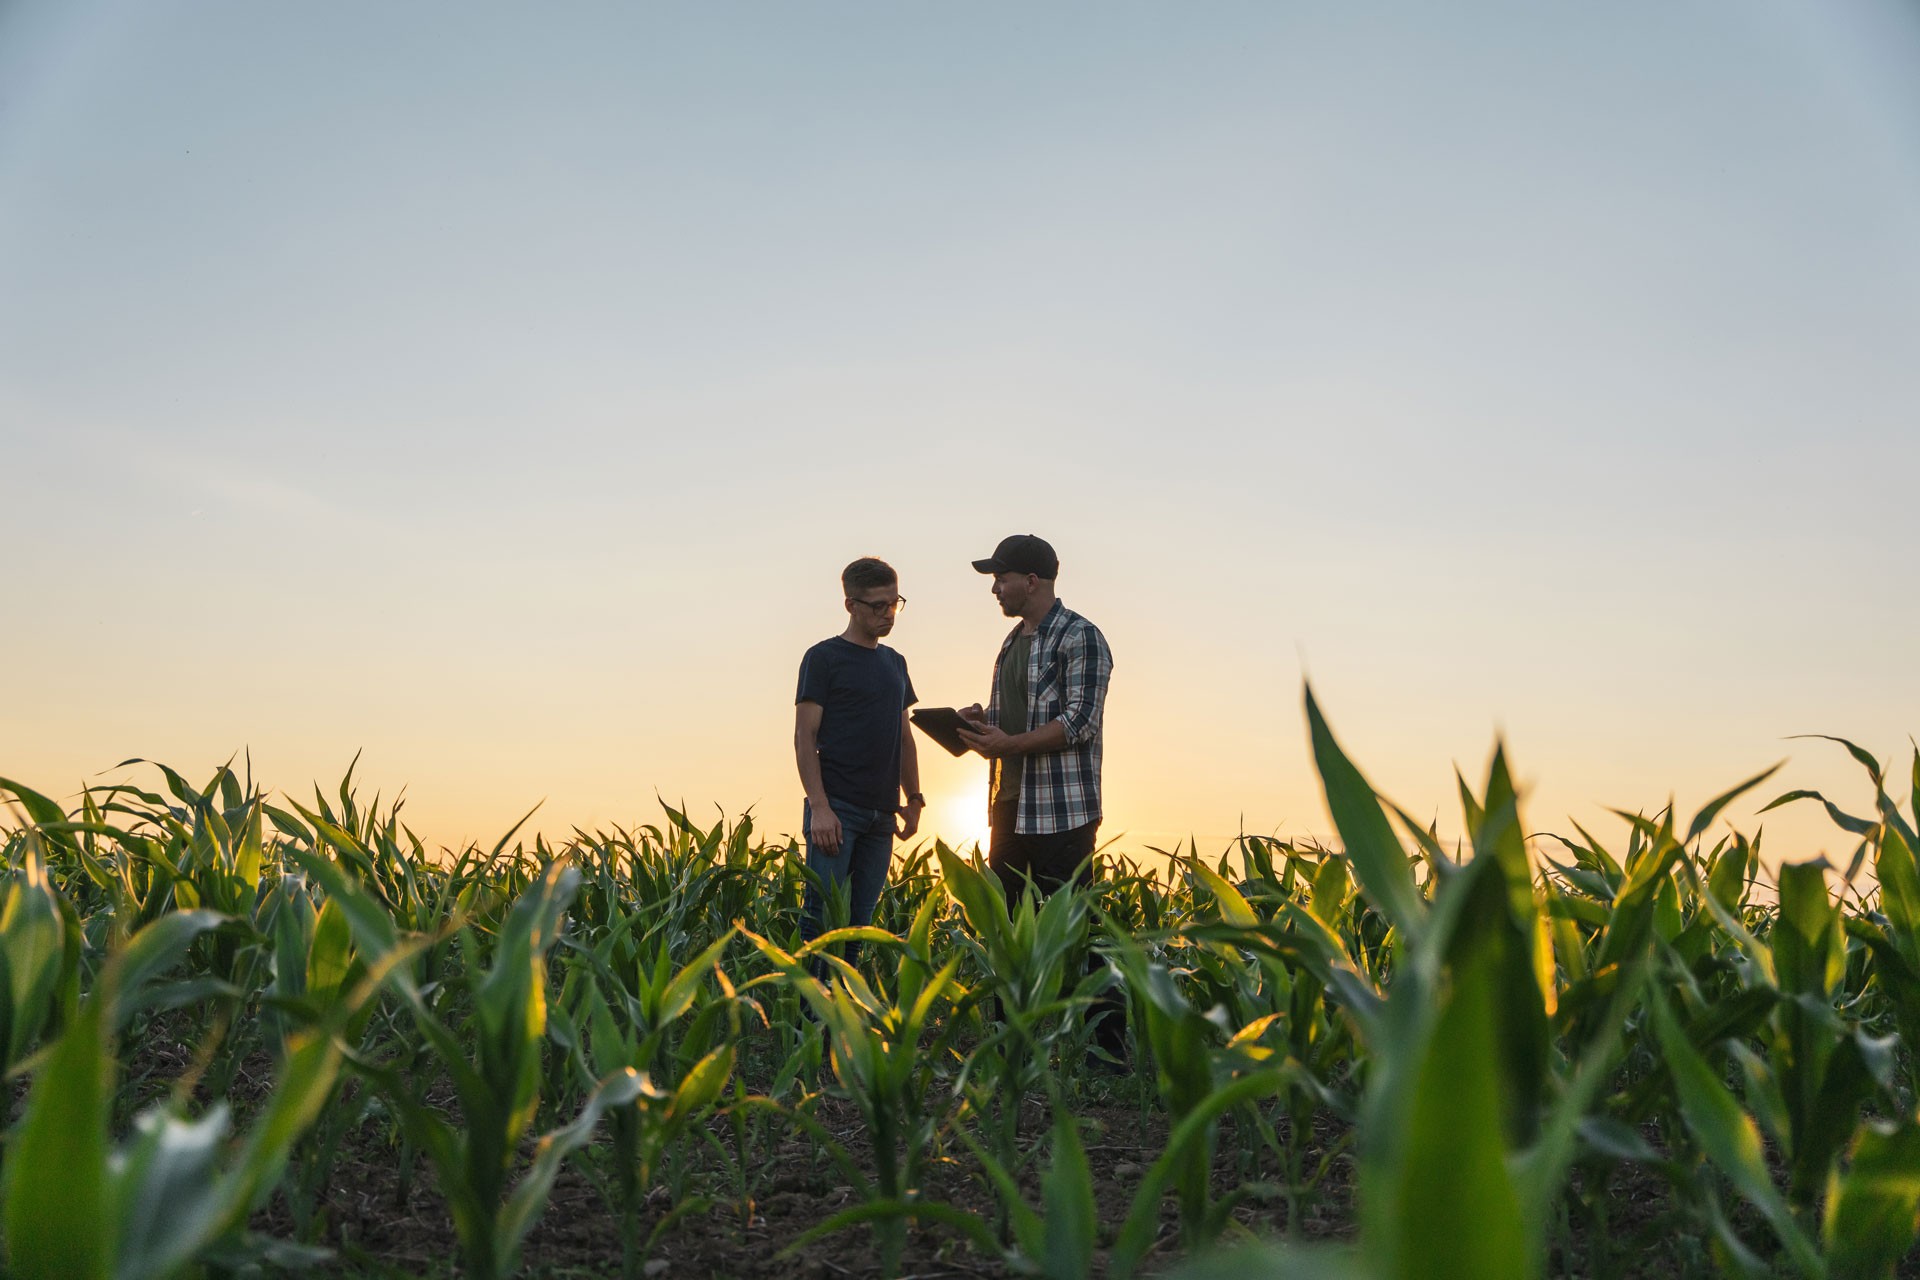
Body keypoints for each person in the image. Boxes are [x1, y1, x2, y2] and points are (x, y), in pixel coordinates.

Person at [954, 534, 1125, 1062]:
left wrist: (1010, 742)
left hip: (1062, 813)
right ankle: (1015, 1047)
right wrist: (982, 725)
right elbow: (1018, 720)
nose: (995, 589)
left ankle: (1109, 1052)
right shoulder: (1012, 643)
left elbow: (1079, 722)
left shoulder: (1082, 637)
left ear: (1031, 581)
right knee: (1007, 932)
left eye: (1001, 578)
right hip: (1008, 806)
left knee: (1080, 931)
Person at [793, 557, 925, 972]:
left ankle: (842, 1024)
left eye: (894, 604)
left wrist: (914, 798)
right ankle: (808, 1032)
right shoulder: (823, 658)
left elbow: (903, 736)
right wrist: (821, 808)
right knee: (822, 925)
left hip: (881, 817)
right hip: (837, 812)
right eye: (877, 606)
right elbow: (804, 737)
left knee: (858, 929)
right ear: (850, 605)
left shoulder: (895, 663)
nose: (888, 614)